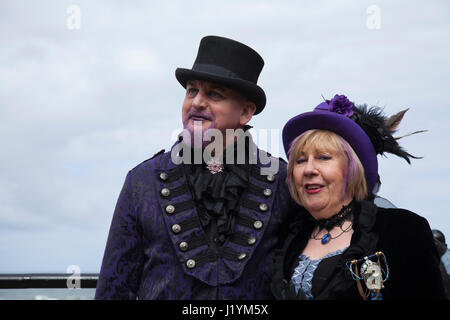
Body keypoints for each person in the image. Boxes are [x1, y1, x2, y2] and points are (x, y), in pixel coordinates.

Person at [95, 35, 299, 299]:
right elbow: (114, 290)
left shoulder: (282, 180)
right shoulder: (142, 181)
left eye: (214, 94)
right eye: (192, 90)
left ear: (246, 112)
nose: (197, 102)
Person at [271, 94, 446, 299]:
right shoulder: (284, 234)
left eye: (324, 157)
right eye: (300, 161)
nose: (309, 169)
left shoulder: (401, 231)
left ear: (353, 169)